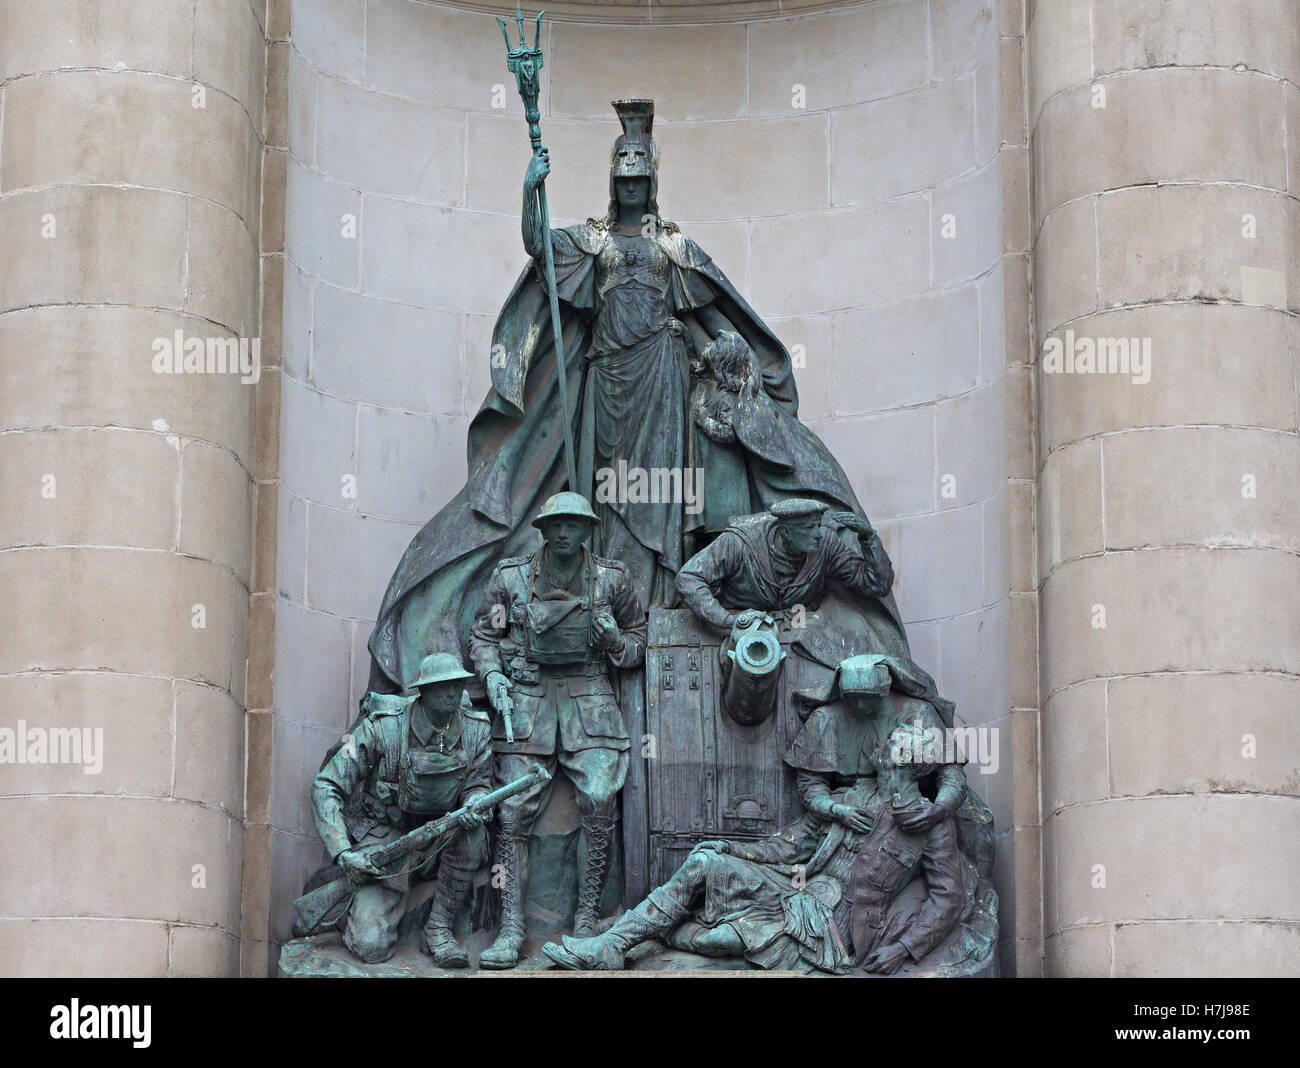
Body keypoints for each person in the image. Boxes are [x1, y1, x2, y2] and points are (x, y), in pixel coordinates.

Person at [363, 98, 884, 697]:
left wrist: (731, 357)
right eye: (622, 178)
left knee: (658, 498)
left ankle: (660, 605)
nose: (631, 188)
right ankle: (614, 608)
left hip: (663, 385)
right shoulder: (593, 241)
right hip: (606, 386)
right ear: (613, 183)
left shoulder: (673, 248)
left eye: (640, 179)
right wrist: (532, 192)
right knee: (605, 500)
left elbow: (713, 318)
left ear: (651, 183)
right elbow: (541, 251)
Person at [468, 491, 647, 968]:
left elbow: (637, 644)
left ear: (588, 528)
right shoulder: (510, 578)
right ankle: (510, 929)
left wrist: (613, 641)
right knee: (511, 812)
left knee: (601, 797)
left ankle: (587, 918)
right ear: (544, 530)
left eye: (574, 524)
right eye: (557, 524)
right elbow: (484, 636)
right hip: (526, 696)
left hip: (590, 696)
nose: (565, 532)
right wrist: (493, 676)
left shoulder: (612, 579)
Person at [310, 653, 491, 967]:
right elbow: (326, 786)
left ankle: (438, 928)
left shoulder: (476, 731)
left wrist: (476, 799)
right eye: (443, 686)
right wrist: (343, 853)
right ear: (423, 691)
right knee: (370, 947)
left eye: (457, 684)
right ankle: (341, 909)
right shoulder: (383, 727)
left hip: (439, 840)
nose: (452, 692)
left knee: (474, 833)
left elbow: (479, 782)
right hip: (383, 844)